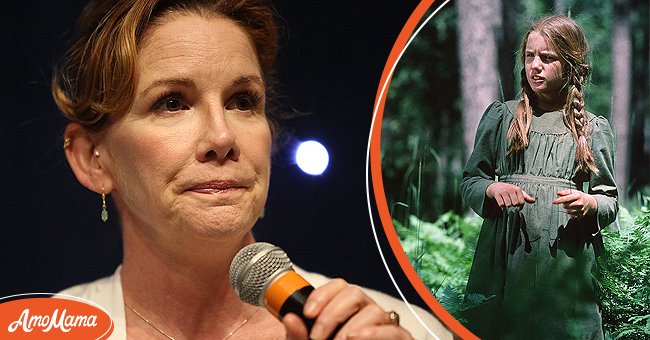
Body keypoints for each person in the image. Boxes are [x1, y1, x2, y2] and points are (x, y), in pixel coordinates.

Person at [52, 0, 451, 339]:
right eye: (172, 102)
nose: (222, 137)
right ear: (91, 158)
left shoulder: (404, 330)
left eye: (242, 101)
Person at [459, 15, 618, 339]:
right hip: (505, 258)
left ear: (571, 65)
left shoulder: (591, 128)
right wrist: (491, 190)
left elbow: (609, 198)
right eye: (530, 56)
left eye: (547, 58)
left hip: (565, 262)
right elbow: (471, 179)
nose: (535, 66)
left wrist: (590, 203)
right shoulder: (502, 117)